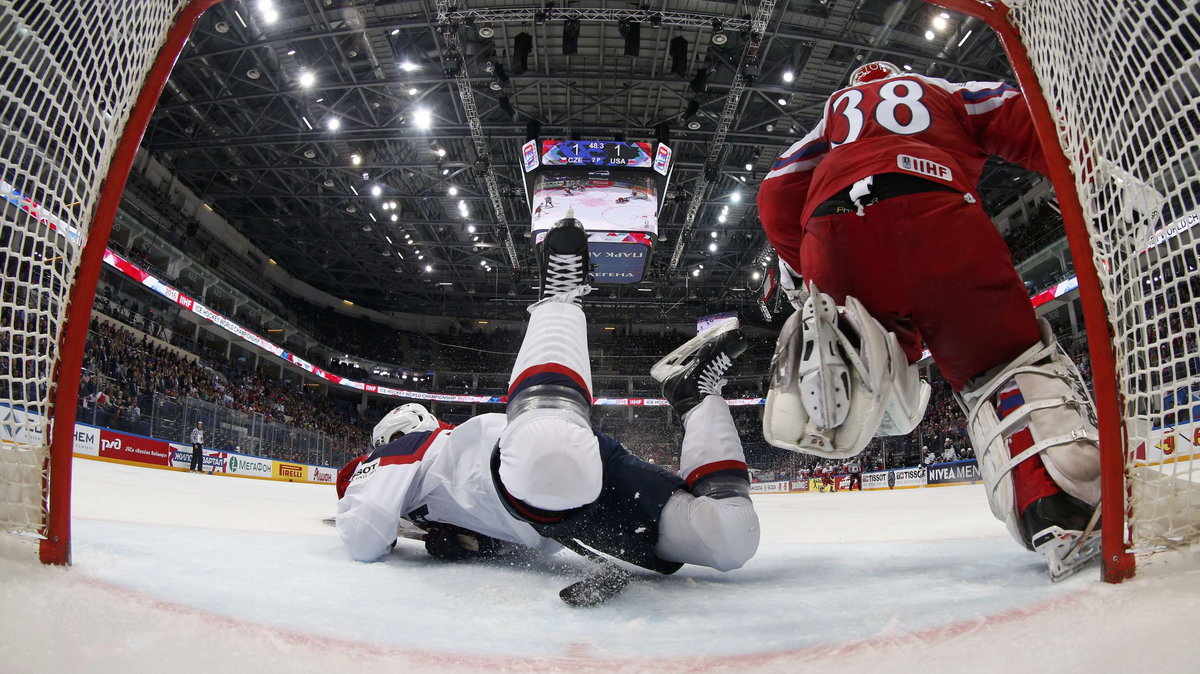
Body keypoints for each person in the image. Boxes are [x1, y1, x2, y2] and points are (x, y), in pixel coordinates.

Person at [757, 61, 1103, 579]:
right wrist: (1090, 177)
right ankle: (1056, 505)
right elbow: (1028, 118)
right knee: (999, 365)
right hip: (935, 210)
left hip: (834, 233)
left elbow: (776, 192)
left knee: (878, 351)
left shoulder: (832, 120)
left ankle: (850, 363)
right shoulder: (939, 90)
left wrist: (811, 273)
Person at [336, 214, 760, 580]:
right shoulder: (442, 497)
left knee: (552, 457)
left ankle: (559, 296)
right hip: (562, 506)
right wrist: (473, 545)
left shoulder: (408, 452)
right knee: (730, 538)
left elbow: (362, 537)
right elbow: (525, 543)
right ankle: (697, 395)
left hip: (549, 462)